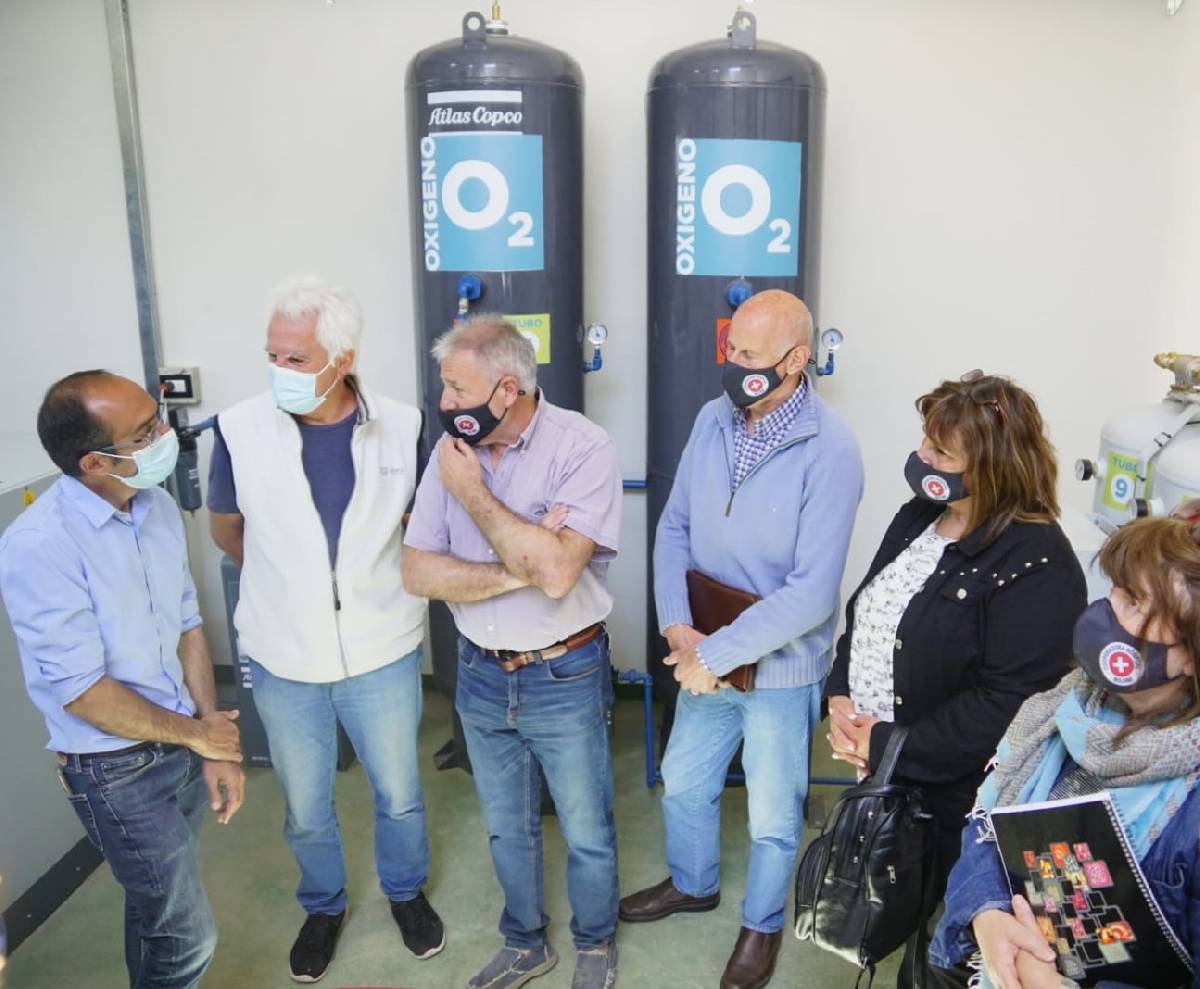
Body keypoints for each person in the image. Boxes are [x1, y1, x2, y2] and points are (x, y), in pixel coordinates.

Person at [618, 289, 864, 989]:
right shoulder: (711, 419)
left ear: (797, 359)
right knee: (684, 786)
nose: (734, 366)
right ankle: (693, 883)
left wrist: (713, 653)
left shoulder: (833, 449)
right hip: (704, 653)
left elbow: (813, 594)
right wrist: (676, 623)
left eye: (750, 356)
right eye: (732, 351)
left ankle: (760, 926)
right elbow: (673, 529)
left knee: (771, 817)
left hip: (777, 672)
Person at [208, 275, 441, 983]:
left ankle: (405, 892)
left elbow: (422, 527)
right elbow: (227, 530)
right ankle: (324, 903)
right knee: (306, 802)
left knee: (397, 792)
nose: (279, 372)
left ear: (342, 359)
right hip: (284, 655)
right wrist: (301, 590)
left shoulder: (401, 423)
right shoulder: (238, 428)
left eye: (296, 359)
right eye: (272, 356)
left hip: (383, 650)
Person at [824, 371, 1087, 988]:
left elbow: (1006, 706)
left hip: (962, 803)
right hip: (894, 780)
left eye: (940, 453)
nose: (921, 459)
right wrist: (839, 692)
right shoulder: (918, 516)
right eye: (925, 442)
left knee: (948, 951)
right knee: (912, 922)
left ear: (994, 466)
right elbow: (869, 614)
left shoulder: (1037, 562)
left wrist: (883, 743)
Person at [0, 370, 245, 989]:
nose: (167, 436)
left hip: (178, 742)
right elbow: (85, 694)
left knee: (154, 914)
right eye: (146, 433)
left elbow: (188, 622)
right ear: (94, 462)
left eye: (157, 418)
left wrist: (207, 728)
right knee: (188, 937)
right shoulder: (39, 546)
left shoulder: (156, 507)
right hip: (113, 768)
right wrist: (196, 734)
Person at [402, 314, 622, 989]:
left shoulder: (583, 448)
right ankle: (526, 942)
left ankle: (595, 942)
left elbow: (560, 577)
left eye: (454, 387)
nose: (443, 402)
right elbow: (417, 571)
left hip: (564, 669)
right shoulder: (448, 451)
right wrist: (521, 562)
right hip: (478, 673)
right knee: (505, 826)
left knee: (585, 826)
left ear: (505, 389)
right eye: (442, 385)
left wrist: (473, 494)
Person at [928, 501, 1200, 989]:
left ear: (1191, 656)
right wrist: (987, 918)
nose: (1107, 610)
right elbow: (988, 832)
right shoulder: (1061, 708)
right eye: (1116, 589)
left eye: (1136, 603)